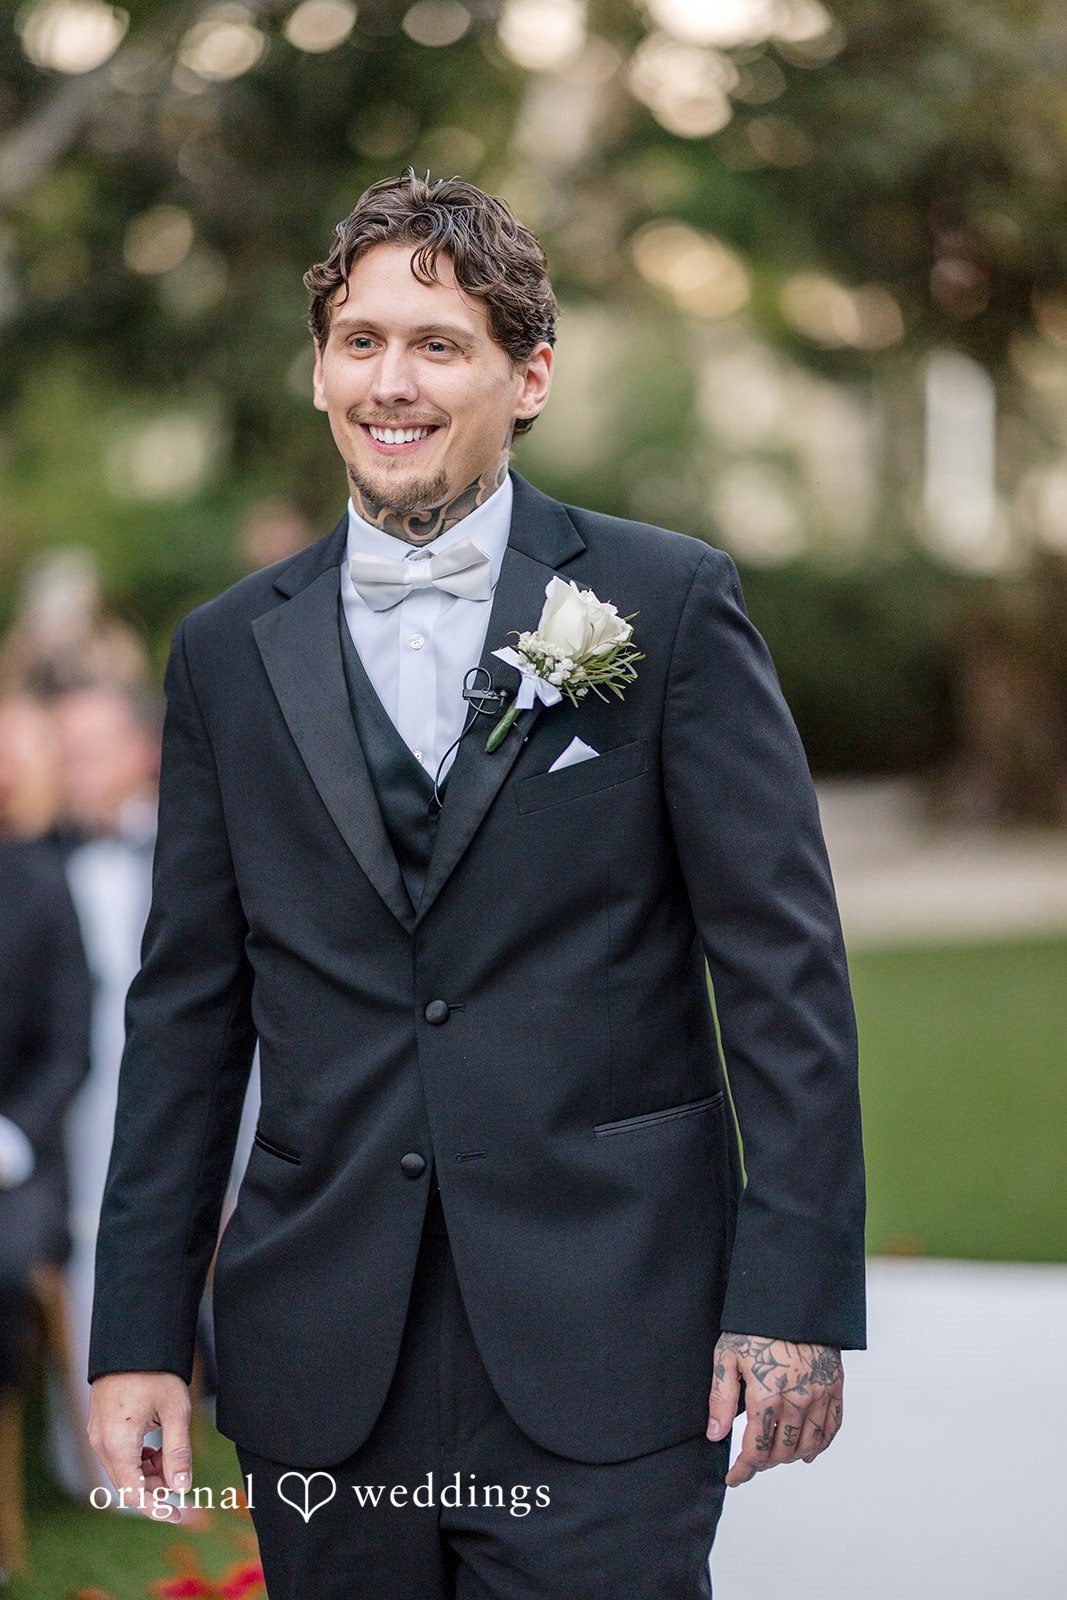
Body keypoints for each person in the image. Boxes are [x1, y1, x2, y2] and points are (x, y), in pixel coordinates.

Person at [86, 171, 866, 1598]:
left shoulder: (665, 603)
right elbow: (188, 1012)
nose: (395, 382)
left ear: (531, 375)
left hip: (612, 1338)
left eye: (441, 345)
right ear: (320, 370)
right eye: (363, 341)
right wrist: (137, 1330)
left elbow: (784, 976)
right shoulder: (222, 654)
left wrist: (792, 1304)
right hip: (327, 1354)